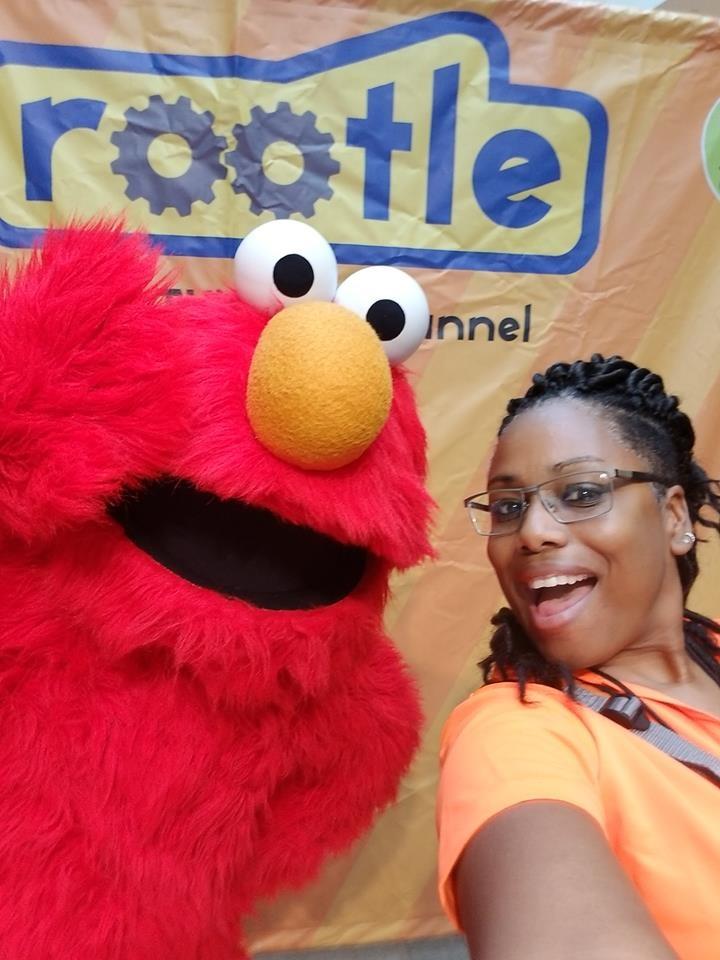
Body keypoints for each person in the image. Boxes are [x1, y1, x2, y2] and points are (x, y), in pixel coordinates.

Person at [436, 355, 720, 960]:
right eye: (509, 506)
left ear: (673, 517)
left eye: (582, 492)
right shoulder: (517, 730)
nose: (532, 531)